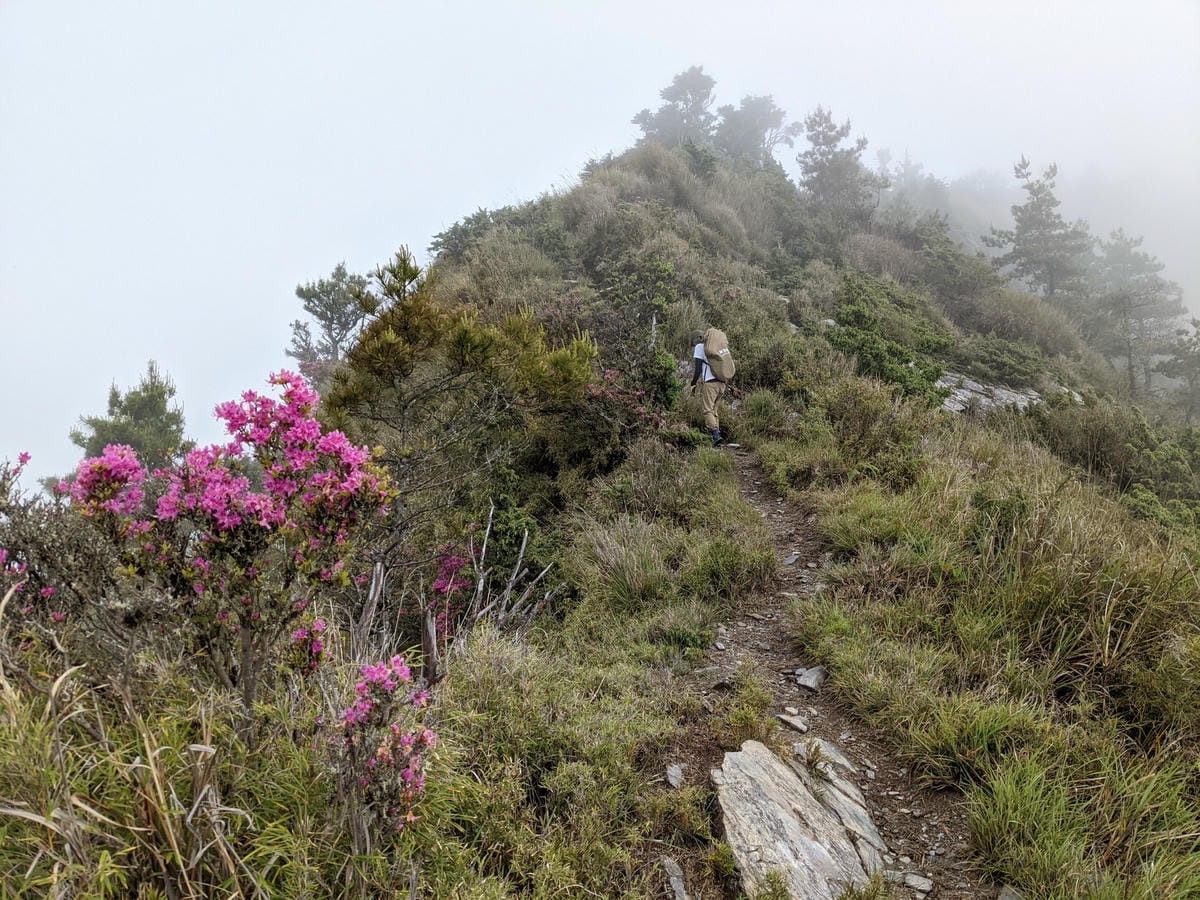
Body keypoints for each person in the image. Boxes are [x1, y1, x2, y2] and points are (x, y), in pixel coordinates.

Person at [689, 329, 724, 446]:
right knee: (714, 411)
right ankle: (717, 437)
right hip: (722, 383)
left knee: (707, 410)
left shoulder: (700, 347)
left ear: (698, 338)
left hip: (710, 383)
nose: (693, 344)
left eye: (693, 341)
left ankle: (715, 435)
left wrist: (693, 383)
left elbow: (698, 368)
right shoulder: (716, 347)